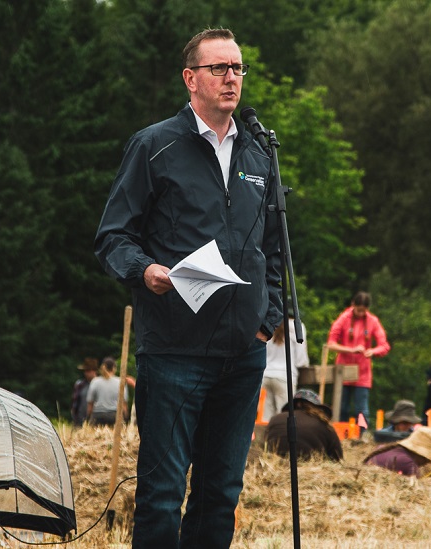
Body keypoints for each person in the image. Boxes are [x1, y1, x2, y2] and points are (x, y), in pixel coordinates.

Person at [93, 28, 283, 549]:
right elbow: (113, 237)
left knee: (221, 494)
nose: (231, 78)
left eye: (238, 69)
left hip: (242, 353)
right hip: (174, 350)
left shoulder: (258, 154)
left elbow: (275, 248)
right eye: (219, 68)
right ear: (190, 78)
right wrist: (145, 269)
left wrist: (268, 321)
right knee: (161, 493)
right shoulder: (155, 146)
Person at [326, 291, 390, 429]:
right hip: (343, 372)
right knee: (341, 408)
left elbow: (384, 346)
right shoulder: (343, 318)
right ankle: (339, 435)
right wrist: (351, 349)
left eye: (364, 311)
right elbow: (331, 343)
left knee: (361, 410)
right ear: (353, 305)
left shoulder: (373, 321)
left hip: (363, 372)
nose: (361, 314)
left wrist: (372, 351)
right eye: (358, 310)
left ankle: (361, 437)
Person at [263, 389, 343, 462]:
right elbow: (337, 458)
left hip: (274, 464)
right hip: (308, 467)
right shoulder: (323, 423)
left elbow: (265, 444)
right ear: (317, 407)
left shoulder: (275, 418)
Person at [262, 315, 307, 421]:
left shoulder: (268, 324)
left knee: (265, 419)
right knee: (284, 416)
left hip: (265, 374)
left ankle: (265, 438)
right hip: (285, 376)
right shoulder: (296, 326)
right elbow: (301, 360)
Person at [363, 425, 431, 478]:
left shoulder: (382, 447)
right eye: (428, 459)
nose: (426, 463)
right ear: (422, 455)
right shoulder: (409, 464)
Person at [71, 357, 97, 428]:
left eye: (88, 371)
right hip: (80, 418)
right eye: (85, 371)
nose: (86, 373)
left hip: (95, 419)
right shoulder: (80, 385)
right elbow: (75, 403)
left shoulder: (99, 385)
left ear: (94, 371)